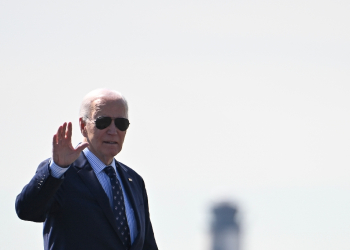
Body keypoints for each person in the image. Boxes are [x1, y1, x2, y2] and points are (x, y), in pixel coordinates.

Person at [15, 89, 158, 250]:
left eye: (121, 123)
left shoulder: (134, 180)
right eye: (103, 122)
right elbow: (27, 211)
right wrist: (57, 169)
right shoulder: (61, 173)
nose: (113, 131)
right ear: (83, 126)